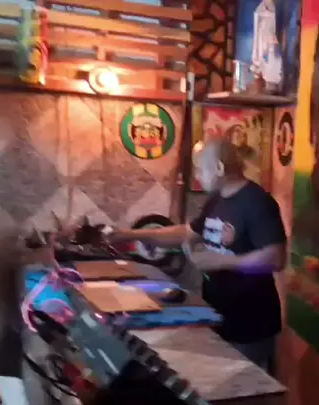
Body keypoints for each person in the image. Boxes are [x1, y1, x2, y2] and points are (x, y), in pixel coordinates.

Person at [107, 138, 286, 374]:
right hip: (219, 313)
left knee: (241, 388)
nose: (198, 176)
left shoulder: (257, 202)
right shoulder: (217, 200)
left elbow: (275, 257)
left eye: (201, 169)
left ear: (219, 167)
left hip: (250, 322)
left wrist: (219, 261)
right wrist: (129, 234)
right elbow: (186, 232)